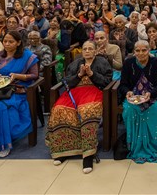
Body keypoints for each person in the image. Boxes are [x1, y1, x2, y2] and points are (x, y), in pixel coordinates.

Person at [47, 41, 112, 173]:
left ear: (95, 51)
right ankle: (63, 151)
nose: (87, 51)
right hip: (75, 92)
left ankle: (87, 155)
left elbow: (107, 81)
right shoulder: (75, 63)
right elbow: (66, 82)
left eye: (90, 49)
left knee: (87, 111)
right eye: (85, 49)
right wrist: (79, 75)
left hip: (94, 91)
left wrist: (92, 74)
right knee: (59, 109)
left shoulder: (102, 62)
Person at [0, 31, 39, 158]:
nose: (7, 44)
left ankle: (5, 145)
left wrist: (17, 76)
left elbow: (34, 75)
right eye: (5, 41)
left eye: (11, 42)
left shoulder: (28, 56)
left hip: (17, 89)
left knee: (1, 107)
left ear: (18, 43)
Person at [120, 40, 157, 163]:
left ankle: (156, 146)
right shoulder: (128, 63)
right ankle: (135, 146)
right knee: (130, 110)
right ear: (134, 52)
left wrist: (150, 93)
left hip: (153, 96)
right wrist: (128, 92)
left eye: (144, 50)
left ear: (149, 51)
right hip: (134, 98)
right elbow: (123, 84)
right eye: (137, 50)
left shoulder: (156, 63)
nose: (141, 53)